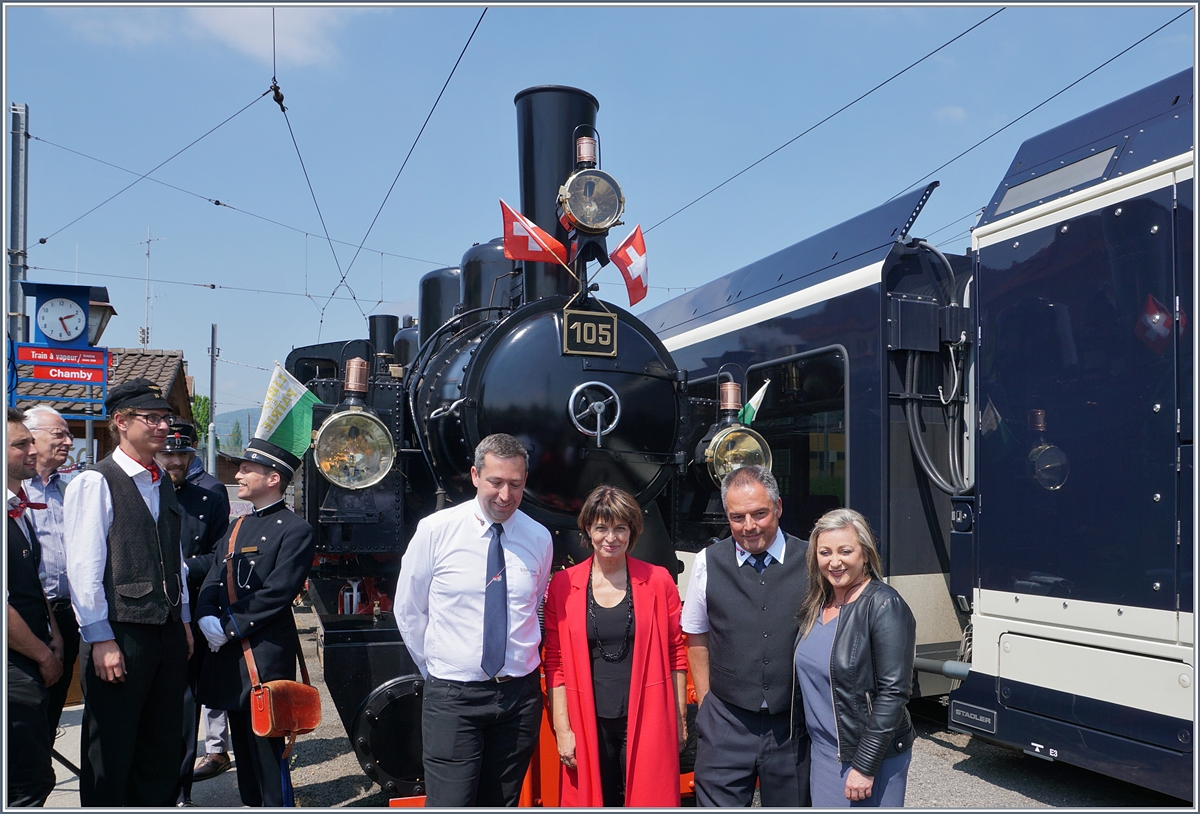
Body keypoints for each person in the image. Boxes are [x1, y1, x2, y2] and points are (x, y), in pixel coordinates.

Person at [394, 433, 553, 806]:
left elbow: (531, 605)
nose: (505, 495)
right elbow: (409, 608)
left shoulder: (539, 538)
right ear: (475, 476)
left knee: (501, 804)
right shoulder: (436, 531)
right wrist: (437, 667)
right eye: (496, 482)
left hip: (518, 698)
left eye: (515, 484)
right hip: (454, 698)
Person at [62, 378, 194, 807]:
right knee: (113, 744)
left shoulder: (164, 482)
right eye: (151, 418)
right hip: (122, 630)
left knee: (161, 743)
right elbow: (83, 566)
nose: (162, 427)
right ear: (120, 422)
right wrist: (100, 638)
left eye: (164, 418)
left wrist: (185, 621)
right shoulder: (95, 481)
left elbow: (175, 559)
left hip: (167, 628)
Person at [543, 485, 688, 807]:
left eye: (620, 528)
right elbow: (555, 663)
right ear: (588, 531)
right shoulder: (564, 585)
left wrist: (678, 719)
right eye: (601, 528)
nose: (611, 537)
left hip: (648, 714)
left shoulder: (659, 580)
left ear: (632, 531)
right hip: (587, 717)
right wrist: (563, 729)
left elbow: (675, 653)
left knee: (648, 799)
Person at [196, 438, 316, 807]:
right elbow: (214, 577)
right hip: (228, 653)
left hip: (262, 653)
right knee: (244, 746)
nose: (238, 474)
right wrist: (205, 616)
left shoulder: (296, 530)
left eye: (247, 469)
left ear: (274, 478)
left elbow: (278, 592)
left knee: (267, 745)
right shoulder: (237, 526)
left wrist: (228, 625)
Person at [682, 465, 810, 807]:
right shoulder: (707, 562)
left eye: (760, 514)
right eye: (737, 517)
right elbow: (696, 634)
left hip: (791, 726)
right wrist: (708, 701)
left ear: (779, 508)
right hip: (726, 720)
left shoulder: (812, 559)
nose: (749, 526)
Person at [793, 508, 916, 806]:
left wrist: (865, 765)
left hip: (867, 757)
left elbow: (894, 692)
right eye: (825, 552)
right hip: (824, 754)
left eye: (845, 551)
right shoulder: (818, 603)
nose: (834, 562)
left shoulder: (884, 605)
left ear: (865, 554)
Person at [158, 421, 232, 805]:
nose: (174, 460)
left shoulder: (210, 493)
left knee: (191, 700)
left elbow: (220, 553)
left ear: (192, 454)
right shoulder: (143, 489)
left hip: (195, 607)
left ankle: (181, 791)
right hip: (151, 611)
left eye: (181, 453)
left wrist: (184, 570)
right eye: (167, 453)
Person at [7, 408, 63, 807]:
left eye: (31, 440)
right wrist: (43, 654)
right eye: (20, 444)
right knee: (26, 782)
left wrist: (55, 634)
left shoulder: (18, 508)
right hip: (15, 664)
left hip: (36, 647)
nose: (33, 450)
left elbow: (31, 578)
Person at [22, 405, 80, 738]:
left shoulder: (68, 490)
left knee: (52, 708)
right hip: (23, 614)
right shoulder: (13, 490)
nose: (69, 442)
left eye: (69, 434)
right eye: (59, 434)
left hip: (65, 614)